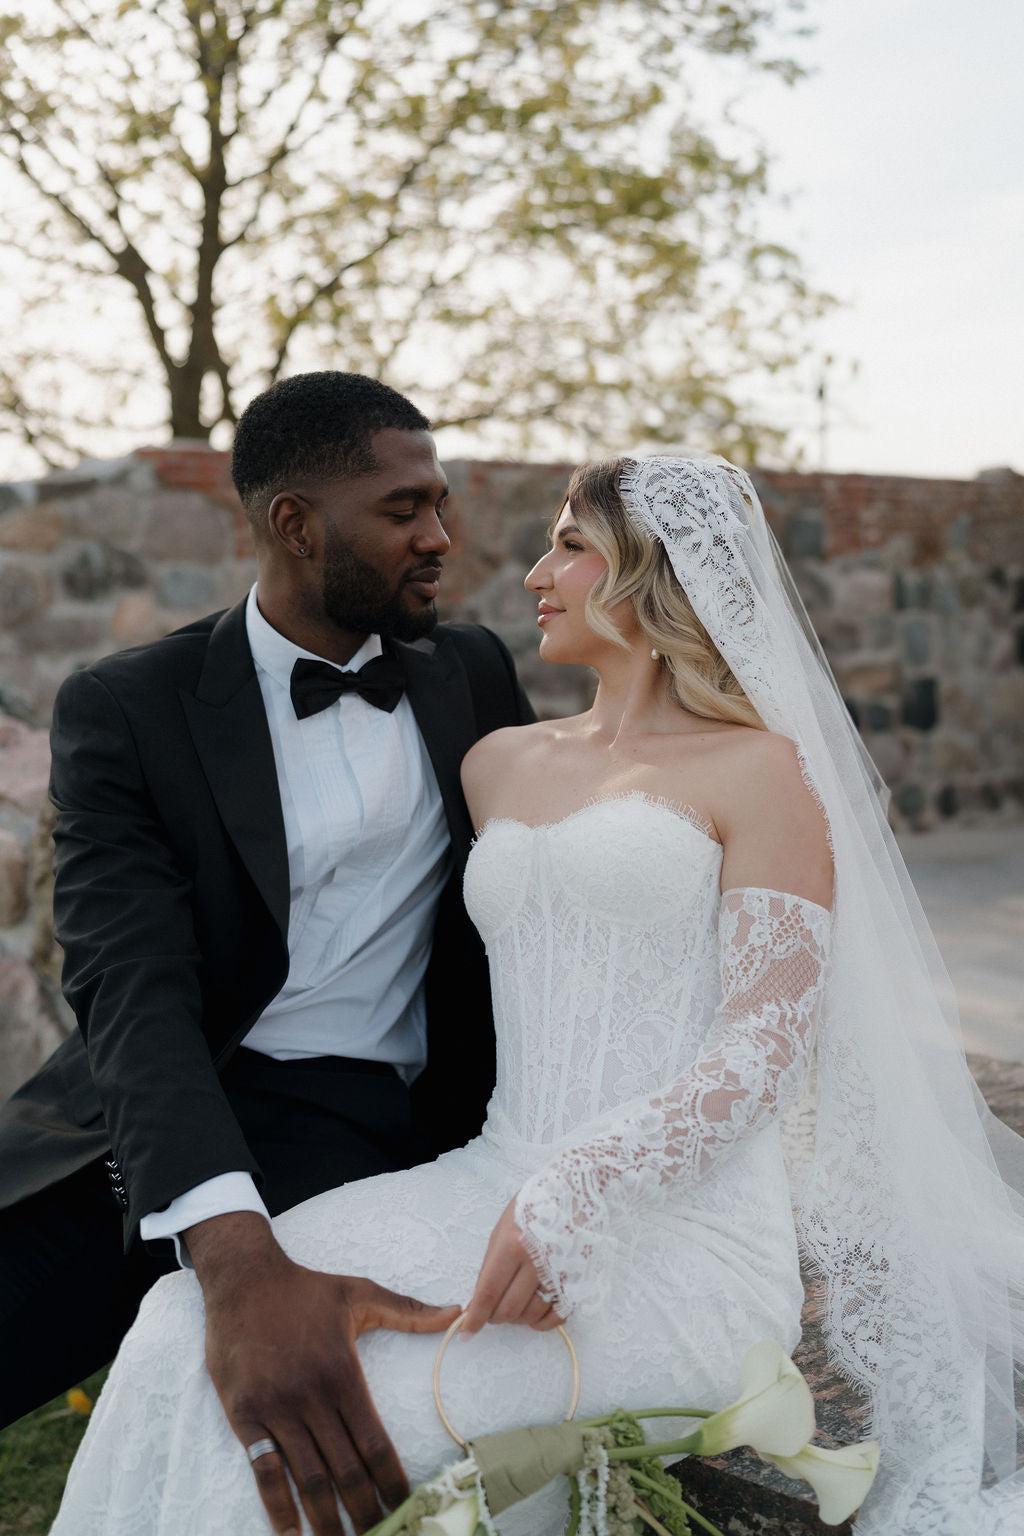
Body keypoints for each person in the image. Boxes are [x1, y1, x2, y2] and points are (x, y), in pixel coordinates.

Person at [50, 456, 1024, 1536]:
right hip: (483, 1177)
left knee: (322, 1434)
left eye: (569, 545)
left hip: (675, 1237)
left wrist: (585, 1185)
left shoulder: (765, 773)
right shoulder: (495, 762)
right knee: (178, 1322)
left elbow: (762, 1049)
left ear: (651, 577)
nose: (529, 573)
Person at [0, 372, 535, 1488]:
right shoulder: (130, 705)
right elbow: (128, 982)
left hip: (364, 1127)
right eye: (404, 511)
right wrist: (233, 1257)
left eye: (439, 504)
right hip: (148, 1105)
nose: (440, 537)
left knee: (282, 1445)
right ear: (294, 524)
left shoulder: (471, 675)